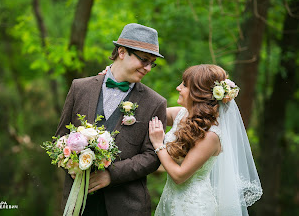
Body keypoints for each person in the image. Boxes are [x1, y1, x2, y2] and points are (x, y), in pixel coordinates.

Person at [55, 23, 167, 216]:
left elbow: (151, 157)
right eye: (144, 60)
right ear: (122, 52)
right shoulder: (80, 88)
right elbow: (61, 137)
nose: (148, 68)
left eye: (152, 63)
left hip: (127, 207)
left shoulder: (155, 102)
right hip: (79, 204)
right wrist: (70, 164)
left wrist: (111, 174)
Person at [149, 64, 262, 215]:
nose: (178, 88)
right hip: (169, 201)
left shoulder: (211, 136)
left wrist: (158, 144)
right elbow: (148, 112)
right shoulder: (180, 114)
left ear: (198, 93)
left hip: (193, 207)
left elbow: (179, 175)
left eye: (184, 85)